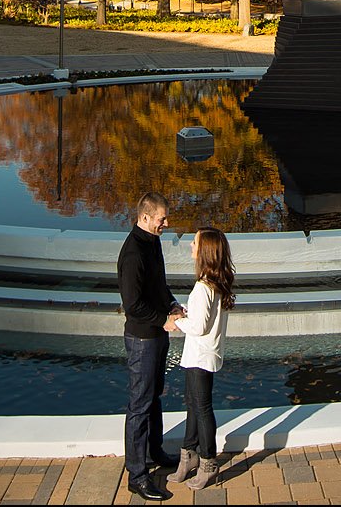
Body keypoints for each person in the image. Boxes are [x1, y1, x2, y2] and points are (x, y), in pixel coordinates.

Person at [117, 191, 186, 502]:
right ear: (145, 218)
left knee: (154, 396)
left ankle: (154, 452)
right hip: (143, 338)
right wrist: (163, 320)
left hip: (157, 334)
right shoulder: (133, 253)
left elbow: (159, 284)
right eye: (162, 219)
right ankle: (137, 474)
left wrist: (172, 304)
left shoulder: (152, 241)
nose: (166, 223)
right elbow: (132, 306)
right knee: (139, 405)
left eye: (165, 218)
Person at [164, 227, 236, 490]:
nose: (191, 247)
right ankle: (188, 454)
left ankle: (207, 461)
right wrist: (185, 313)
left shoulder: (203, 287)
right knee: (194, 406)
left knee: (201, 408)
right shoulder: (214, 283)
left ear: (204, 250)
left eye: (194, 243)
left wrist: (176, 321)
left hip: (200, 356)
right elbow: (202, 319)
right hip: (201, 355)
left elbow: (199, 327)